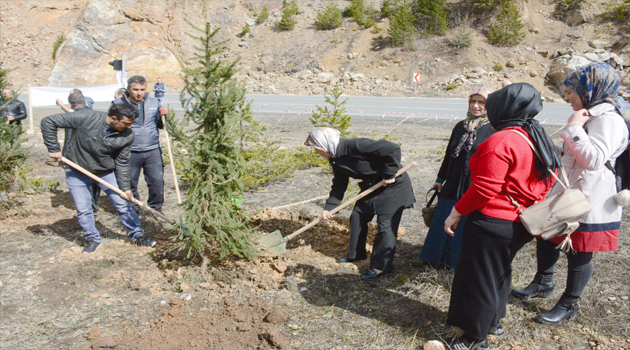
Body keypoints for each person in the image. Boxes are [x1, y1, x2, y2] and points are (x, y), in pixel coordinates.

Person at [443, 83, 561, 350]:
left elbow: (484, 188)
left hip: (493, 221)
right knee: (498, 272)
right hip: (521, 221)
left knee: (479, 278)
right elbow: (547, 180)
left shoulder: (501, 139)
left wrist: (456, 211)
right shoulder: (538, 136)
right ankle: (493, 321)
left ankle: (474, 338)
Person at [511, 62, 630, 325]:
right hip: (568, 188)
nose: (566, 98)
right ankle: (543, 282)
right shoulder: (590, 114)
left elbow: (594, 159)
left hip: (591, 196)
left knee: (579, 250)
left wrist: (574, 128)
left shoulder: (608, 119)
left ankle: (569, 303)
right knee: (547, 235)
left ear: (589, 90)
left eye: (570, 92)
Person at [41, 102, 157, 253]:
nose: (129, 127)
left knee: (122, 203)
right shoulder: (87, 117)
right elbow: (48, 121)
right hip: (76, 169)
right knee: (83, 208)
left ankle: (137, 235)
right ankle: (92, 239)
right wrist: (54, 148)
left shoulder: (127, 135)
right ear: (114, 118)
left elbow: (122, 162)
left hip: (105, 171)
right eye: (126, 123)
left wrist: (125, 187)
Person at [305, 127, 415, 279]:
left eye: (318, 149)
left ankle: (380, 268)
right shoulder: (336, 159)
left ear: (327, 144)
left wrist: (389, 174)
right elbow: (339, 184)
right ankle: (355, 255)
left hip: (393, 185)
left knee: (386, 226)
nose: (317, 153)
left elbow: (393, 149)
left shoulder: (356, 145)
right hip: (373, 187)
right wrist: (330, 208)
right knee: (357, 216)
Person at [419, 87, 494, 269]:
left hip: (471, 186)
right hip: (452, 183)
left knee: (463, 225)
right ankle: (434, 258)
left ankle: (454, 262)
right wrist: (440, 178)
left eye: (481, 102)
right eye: (472, 101)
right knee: (443, 220)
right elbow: (449, 155)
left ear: (489, 105)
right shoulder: (460, 126)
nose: (476, 106)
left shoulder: (492, 129)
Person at [115, 75, 166, 213]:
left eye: (142, 89)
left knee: (157, 181)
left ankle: (156, 209)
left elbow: (160, 125)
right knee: (129, 182)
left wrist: (163, 117)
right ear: (128, 89)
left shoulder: (154, 102)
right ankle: (133, 208)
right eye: (135, 89)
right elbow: (111, 126)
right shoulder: (118, 104)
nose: (139, 93)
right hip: (129, 150)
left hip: (152, 149)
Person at [61, 90, 101, 215]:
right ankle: (92, 206)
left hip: (88, 155)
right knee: (88, 182)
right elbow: (69, 138)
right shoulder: (95, 117)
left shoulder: (91, 118)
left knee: (92, 182)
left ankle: (93, 204)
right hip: (83, 156)